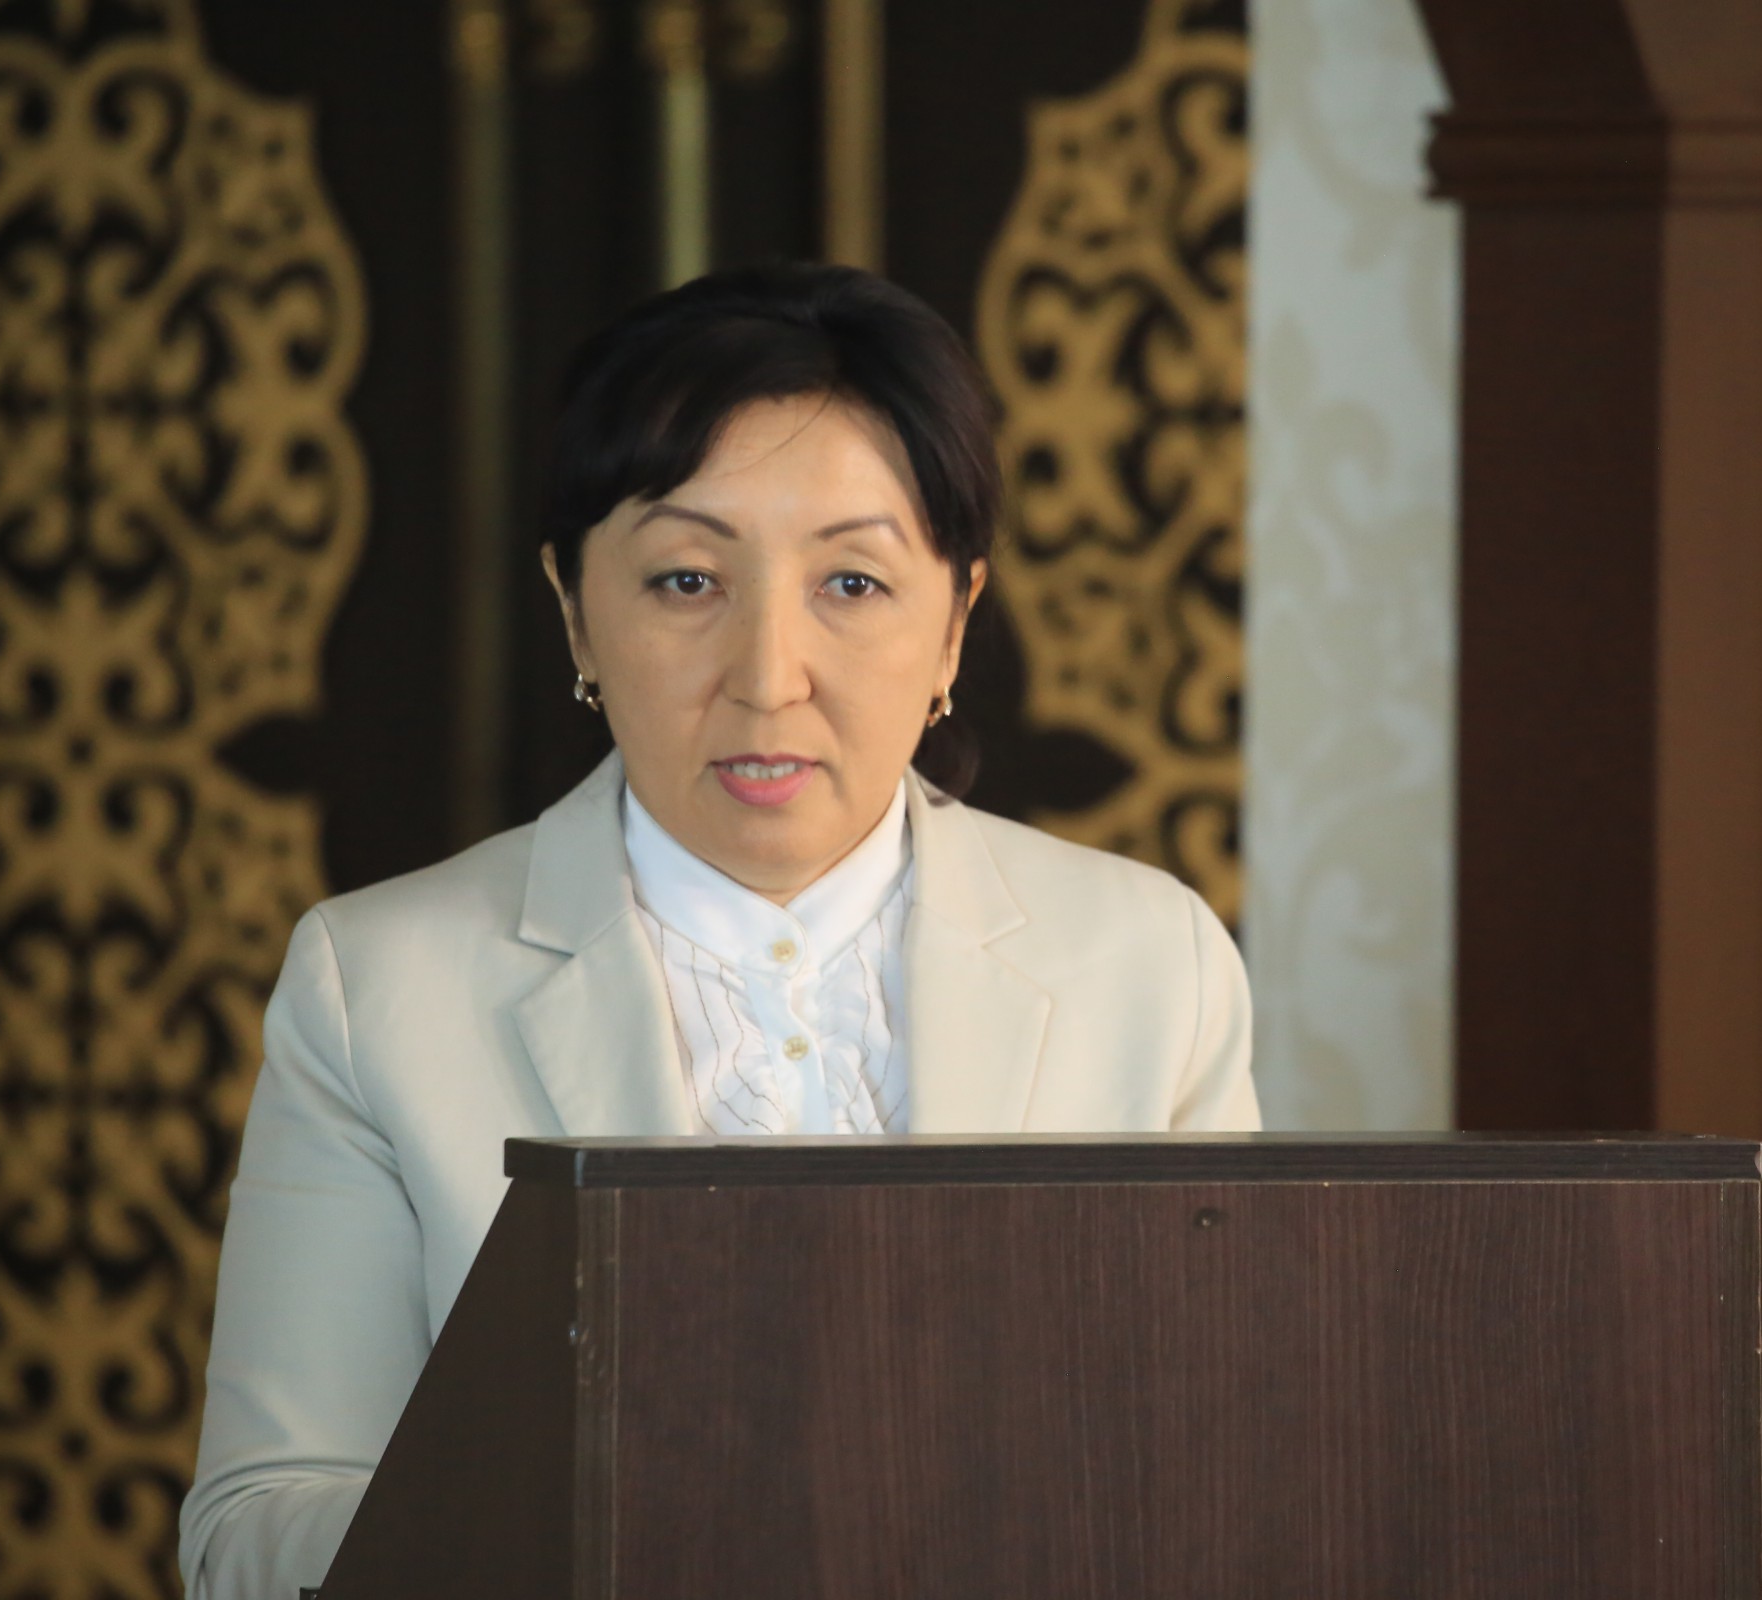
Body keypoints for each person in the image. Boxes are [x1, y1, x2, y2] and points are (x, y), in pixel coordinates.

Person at [177, 264, 1260, 1598]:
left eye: (852, 583)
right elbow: (257, 1530)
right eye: (688, 579)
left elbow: (1230, 1478)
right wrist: (605, 1530)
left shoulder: (1149, 967)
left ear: (955, 624)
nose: (766, 677)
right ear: (576, 610)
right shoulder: (377, 986)